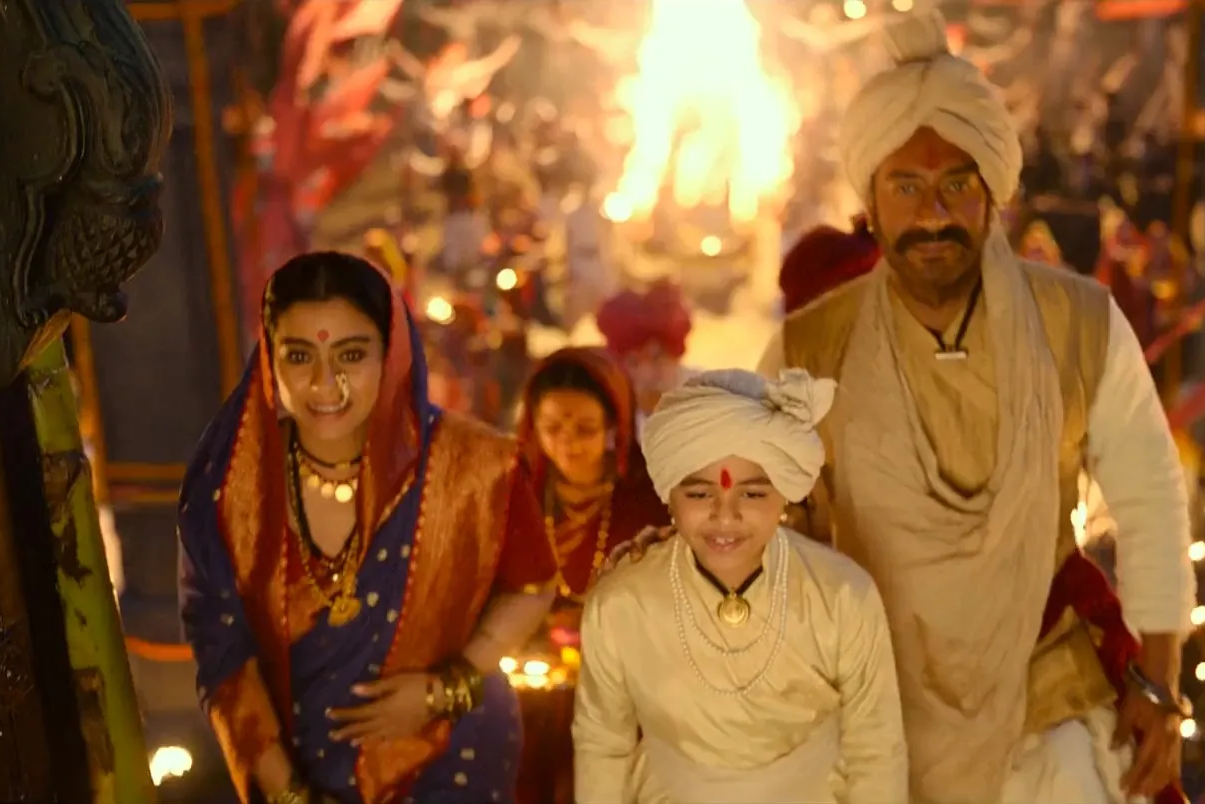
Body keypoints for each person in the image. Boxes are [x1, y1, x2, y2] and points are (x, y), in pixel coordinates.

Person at [761, 11, 1193, 803]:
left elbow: (1151, 501)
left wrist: (1159, 682)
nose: (933, 213)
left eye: (957, 183)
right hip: (869, 709)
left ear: (992, 192)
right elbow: (751, 513)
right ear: (871, 201)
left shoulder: (1079, 323)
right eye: (907, 186)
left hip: (1044, 694)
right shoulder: (811, 347)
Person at [179, 252, 560, 803]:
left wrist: (444, 690)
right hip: (296, 764)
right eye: (299, 356)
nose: (324, 383)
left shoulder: (477, 468)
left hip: (452, 750)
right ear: (269, 359)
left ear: (392, 354)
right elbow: (223, 659)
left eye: (351, 354)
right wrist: (293, 795)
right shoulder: (229, 492)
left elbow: (532, 586)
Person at [573, 369, 908, 804]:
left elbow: (876, 750)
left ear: (783, 492)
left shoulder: (843, 595)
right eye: (700, 495)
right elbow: (602, 744)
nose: (725, 516)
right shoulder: (621, 604)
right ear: (669, 495)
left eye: (752, 495)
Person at [510, 346, 671, 804]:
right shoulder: (519, 494)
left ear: (614, 426)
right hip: (534, 679)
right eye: (551, 428)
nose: (567, 443)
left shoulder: (648, 500)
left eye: (584, 429)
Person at [593, 279, 694, 420]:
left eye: (657, 358)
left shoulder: (709, 400)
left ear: (676, 357)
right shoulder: (604, 413)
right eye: (633, 362)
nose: (647, 374)